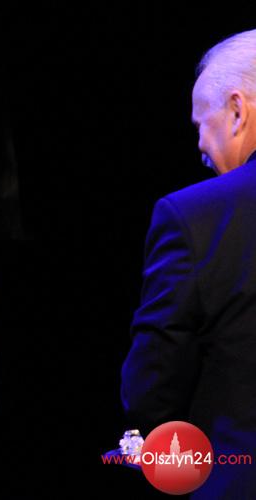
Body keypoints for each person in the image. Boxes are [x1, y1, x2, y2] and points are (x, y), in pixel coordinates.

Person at [122, 29, 256, 497]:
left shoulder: (195, 214)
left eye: (202, 123)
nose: (199, 145)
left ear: (237, 110)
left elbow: (154, 380)